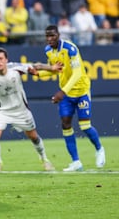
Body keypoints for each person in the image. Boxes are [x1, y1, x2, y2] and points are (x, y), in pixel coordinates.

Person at [0, 47, 55, 173]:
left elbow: (36, 66)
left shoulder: (15, 68)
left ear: (6, 60)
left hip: (21, 111)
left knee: (34, 137)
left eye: (0, 59)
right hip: (1, 111)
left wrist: (51, 68)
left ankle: (44, 159)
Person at [34, 25, 105, 172]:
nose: (49, 39)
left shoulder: (70, 49)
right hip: (66, 94)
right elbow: (55, 71)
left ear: (58, 35)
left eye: (52, 35)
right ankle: (76, 162)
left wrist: (62, 92)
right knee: (65, 124)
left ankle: (99, 149)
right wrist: (37, 74)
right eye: (47, 36)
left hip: (81, 91)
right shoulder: (48, 51)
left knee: (85, 126)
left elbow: (78, 73)